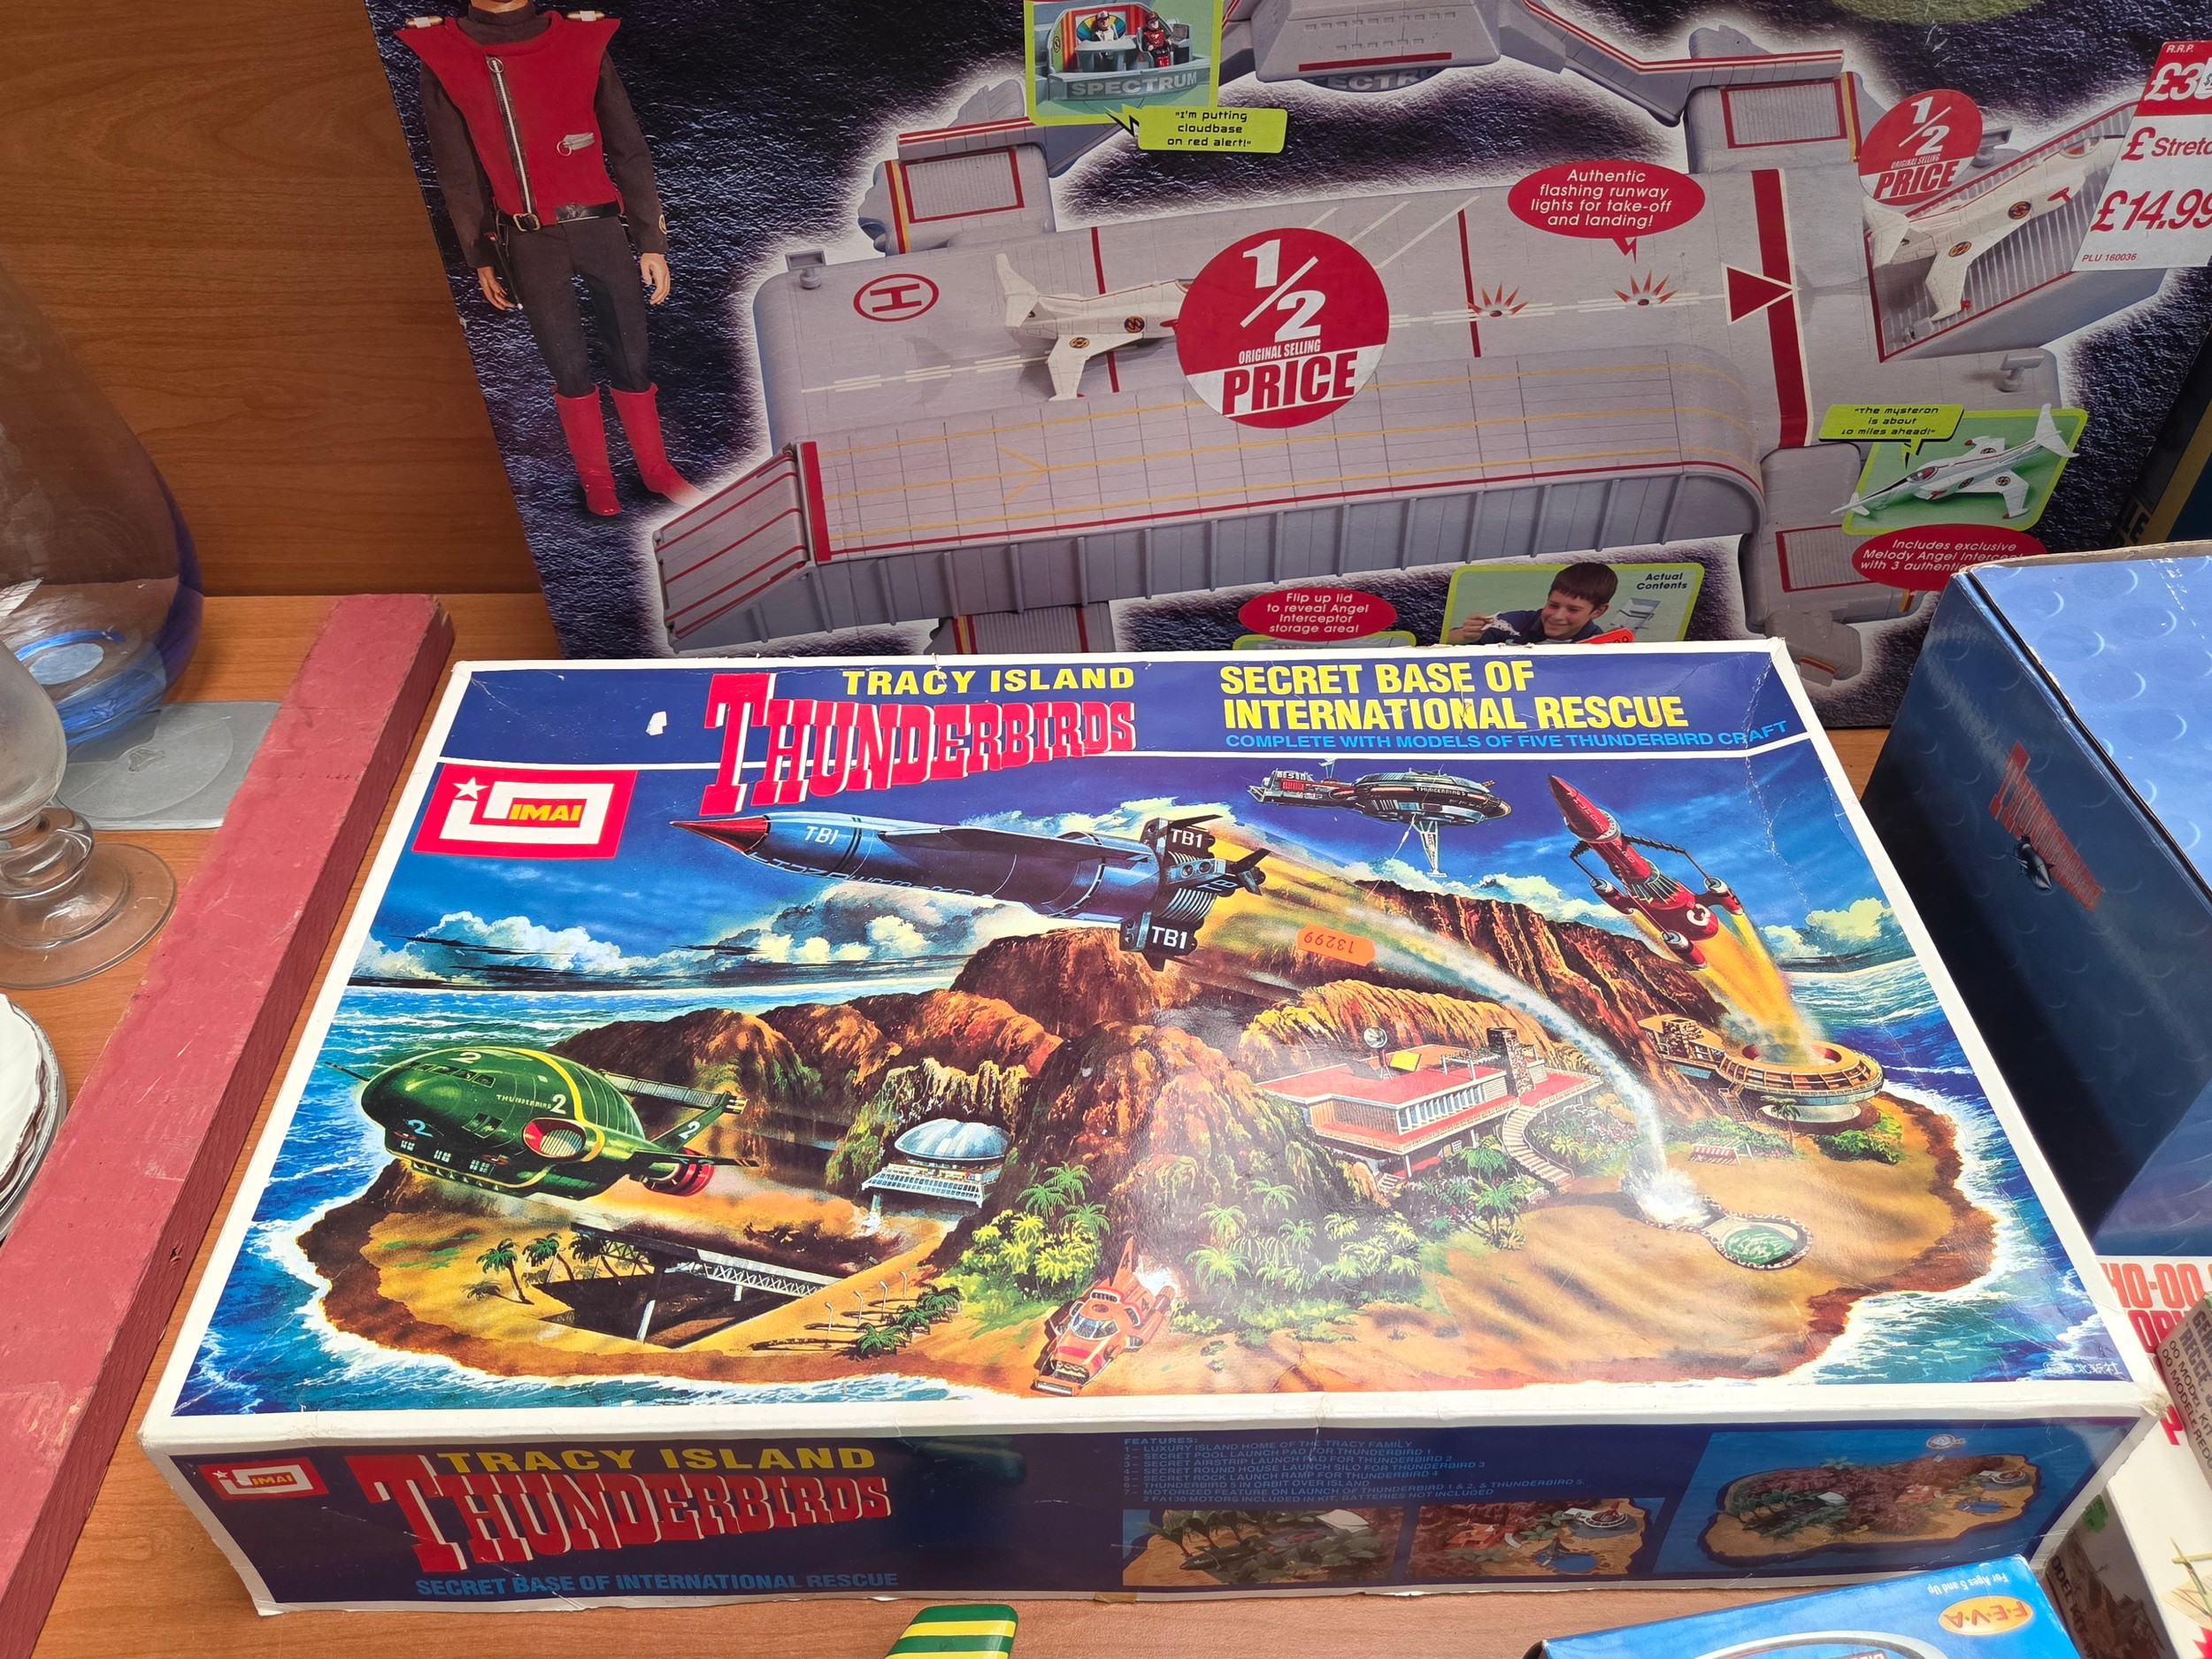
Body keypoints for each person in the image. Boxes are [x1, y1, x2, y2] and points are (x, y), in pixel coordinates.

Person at [399, 0, 697, 518]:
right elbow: (457, 169)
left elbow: (628, 147)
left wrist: (650, 238)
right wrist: (481, 253)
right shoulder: (444, 50)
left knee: (631, 354)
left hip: (600, 229)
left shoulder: (583, 39)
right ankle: (596, 479)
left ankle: (654, 467)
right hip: (529, 238)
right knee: (566, 363)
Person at [1448, 560, 1619, 645]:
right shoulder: (1515, 623)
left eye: (1573, 610)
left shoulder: (1599, 645)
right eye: (1553, 605)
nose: (1557, 616)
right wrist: (1465, 635)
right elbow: (1444, 641)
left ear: (1598, 611)